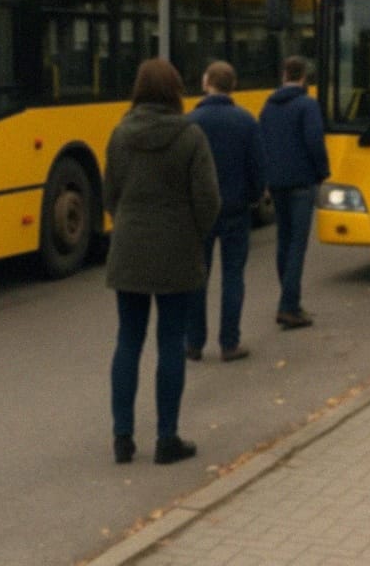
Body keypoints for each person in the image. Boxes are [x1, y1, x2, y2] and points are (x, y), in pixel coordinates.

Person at [103, 59, 222, 465]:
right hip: (177, 250)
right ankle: (166, 439)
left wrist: (128, 224)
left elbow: (110, 194)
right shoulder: (190, 136)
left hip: (130, 249)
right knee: (171, 342)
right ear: (175, 90)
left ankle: (122, 438)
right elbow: (208, 200)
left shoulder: (120, 134)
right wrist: (193, 235)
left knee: (127, 342)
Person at [185, 60, 266, 363]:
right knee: (233, 275)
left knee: (196, 277)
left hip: (198, 213)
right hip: (235, 209)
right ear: (233, 86)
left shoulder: (190, 121)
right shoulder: (246, 121)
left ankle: (193, 343)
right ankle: (229, 343)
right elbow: (258, 167)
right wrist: (254, 198)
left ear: (206, 83)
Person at [259, 55, 330, 330]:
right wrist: (322, 171)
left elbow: (261, 143)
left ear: (283, 76)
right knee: (297, 245)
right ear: (304, 78)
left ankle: (289, 299)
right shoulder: (307, 105)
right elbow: (314, 141)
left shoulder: (267, 107)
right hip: (302, 183)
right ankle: (288, 306)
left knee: (284, 241)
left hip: (276, 183)